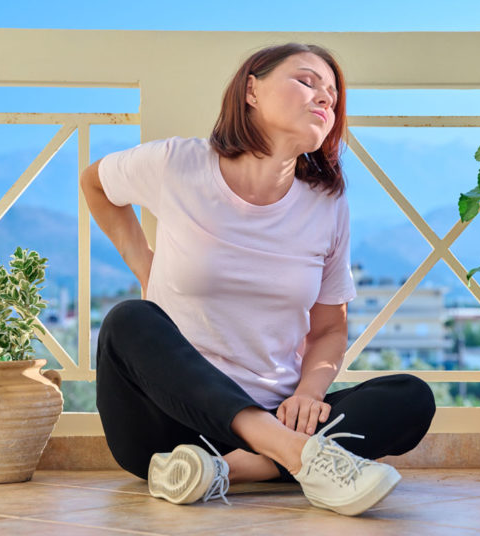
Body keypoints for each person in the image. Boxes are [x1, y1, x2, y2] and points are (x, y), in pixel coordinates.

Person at [80, 42, 436, 517]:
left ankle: (230, 469)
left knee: (411, 398)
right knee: (129, 319)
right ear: (251, 89)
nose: (324, 98)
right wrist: (145, 266)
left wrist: (309, 393)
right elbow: (95, 184)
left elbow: (329, 329)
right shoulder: (177, 165)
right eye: (307, 81)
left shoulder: (327, 205)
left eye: (332, 94)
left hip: (274, 413)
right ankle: (295, 457)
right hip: (166, 425)